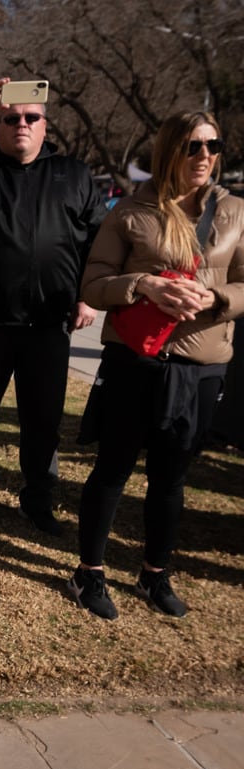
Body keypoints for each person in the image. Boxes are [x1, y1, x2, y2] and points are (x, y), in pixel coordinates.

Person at [68, 111, 244, 620]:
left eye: (213, 144)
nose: (205, 156)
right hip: (136, 360)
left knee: (171, 477)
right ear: (170, 150)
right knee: (113, 469)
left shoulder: (234, 212)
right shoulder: (129, 212)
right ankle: (90, 572)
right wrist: (143, 285)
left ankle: (154, 572)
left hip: (200, 365)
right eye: (193, 146)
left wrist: (212, 296)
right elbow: (93, 284)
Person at [0, 77, 105, 534]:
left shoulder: (74, 175)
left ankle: (37, 500)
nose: (21, 124)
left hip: (49, 324)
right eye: (11, 118)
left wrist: (87, 294)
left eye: (31, 118)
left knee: (42, 423)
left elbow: (98, 240)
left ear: (44, 125)